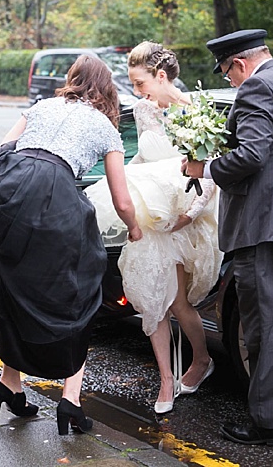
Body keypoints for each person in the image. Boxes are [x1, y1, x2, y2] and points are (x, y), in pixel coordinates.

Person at [0, 54, 142, 435]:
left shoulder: (43, 105)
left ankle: (10, 385)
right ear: (105, 88)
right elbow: (122, 201)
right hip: (53, 193)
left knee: (19, 288)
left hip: (11, 189)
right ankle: (70, 400)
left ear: (72, 78)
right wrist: (134, 229)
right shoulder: (104, 126)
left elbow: (5, 146)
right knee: (81, 293)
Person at [183, 29, 273, 446]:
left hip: (265, 223)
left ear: (240, 63)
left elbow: (251, 155)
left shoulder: (258, 87)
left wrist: (203, 169)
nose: (230, 80)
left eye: (228, 72)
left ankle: (269, 423)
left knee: (264, 325)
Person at [86, 41, 221, 414]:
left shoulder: (194, 111)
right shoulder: (144, 110)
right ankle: (165, 378)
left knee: (177, 302)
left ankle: (201, 360)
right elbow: (145, 156)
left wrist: (189, 215)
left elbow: (209, 171)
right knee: (150, 299)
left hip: (183, 218)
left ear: (161, 76)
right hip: (152, 216)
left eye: (140, 82)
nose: (136, 91)